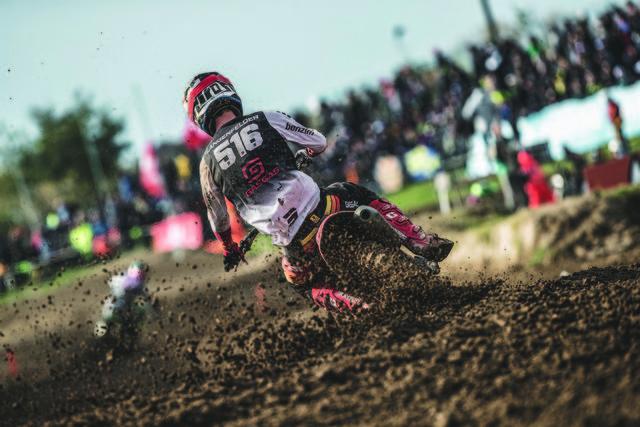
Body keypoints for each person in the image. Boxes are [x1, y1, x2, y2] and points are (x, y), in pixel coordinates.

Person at [184, 72, 453, 313]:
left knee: (300, 282)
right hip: (325, 206)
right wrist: (307, 153)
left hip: (294, 244)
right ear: (228, 92)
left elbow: (218, 219)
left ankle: (360, 307)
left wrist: (230, 248)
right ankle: (419, 241)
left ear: (198, 115)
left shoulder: (207, 163)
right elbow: (319, 142)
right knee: (354, 192)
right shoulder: (265, 118)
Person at [94, 261, 152, 337]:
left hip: (109, 311)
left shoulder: (119, 278)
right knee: (137, 315)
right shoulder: (135, 284)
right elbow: (143, 295)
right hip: (118, 312)